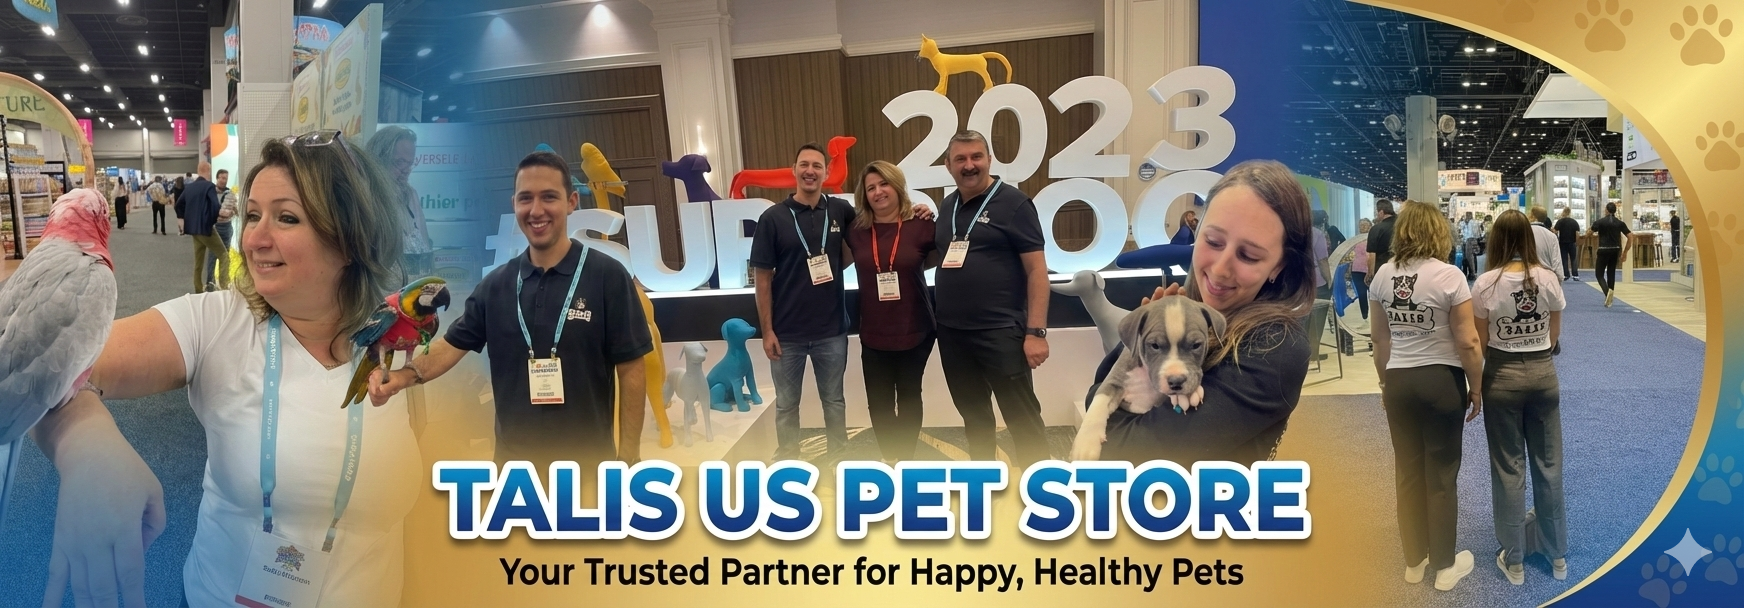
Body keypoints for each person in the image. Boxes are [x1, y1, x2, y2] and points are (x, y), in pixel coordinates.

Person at [29, 131, 417, 606]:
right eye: (252, 215)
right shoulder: (214, 322)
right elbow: (42, 364)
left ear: (351, 238)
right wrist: (86, 445)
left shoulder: (404, 341)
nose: (254, 238)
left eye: (287, 217)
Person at [370, 150, 652, 466]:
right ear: (514, 203)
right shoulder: (496, 286)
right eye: (525, 198)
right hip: (514, 470)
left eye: (549, 197)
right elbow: (450, 346)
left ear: (572, 201)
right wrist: (403, 376)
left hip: (588, 467)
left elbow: (631, 368)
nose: (536, 210)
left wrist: (629, 457)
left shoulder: (607, 277)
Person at [1097, 159, 1315, 463]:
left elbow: (1124, 451)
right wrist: (1143, 340)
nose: (1221, 268)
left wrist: (1110, 394)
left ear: (1279, 265)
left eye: (1248, 255)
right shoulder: (1185, 311)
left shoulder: (1276, 348)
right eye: (1212, 241)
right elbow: (1100, 393)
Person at [1369, 200, 1486, 591]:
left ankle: (1414, 562)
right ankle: (1445, 566)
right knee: (1441, 474)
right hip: (1441, 382)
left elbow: (1380, 340)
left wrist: (1385, 384)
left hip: (1399, 381)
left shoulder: (1383, 275)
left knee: (1407, 472)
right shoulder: (1450, 276)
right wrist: (1476, 386)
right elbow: (1468, 341)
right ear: (1439, 233)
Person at [932, 130, 1052, 467]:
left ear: (989, 160)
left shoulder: (1015, 204)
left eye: (976, 157)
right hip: (953, 333)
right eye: (960, 159)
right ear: (948, 165)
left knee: (1022, 417)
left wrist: (1036, 332)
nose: (969, 165)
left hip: (1000, 332)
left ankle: (1040, 486)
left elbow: (1037, 272)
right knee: (974, 416)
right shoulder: (947, 205)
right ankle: (983, 481)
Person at [1472, 209, 1568, 585]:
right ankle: (1557, 555)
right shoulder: (1547, 278)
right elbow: (1554, 335)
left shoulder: (1485, 284)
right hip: (1543, 374)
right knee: (1549, 466)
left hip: (1501, 376)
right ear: (1529, 239)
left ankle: (1514, 560)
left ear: (1495, 240)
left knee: (1508, 468)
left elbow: (1481, 342)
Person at [746, 143, 857, 461]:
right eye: (804, 165)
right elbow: (762, 279)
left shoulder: (840, 211)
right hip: (787, 333)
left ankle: (838, 458)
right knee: (786, 405)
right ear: (794, 169)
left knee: (834, 401)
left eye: (817, 166)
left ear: (826, 172)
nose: (810, 171)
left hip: (831, 331)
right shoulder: (772, 218)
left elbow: (860, 243)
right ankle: (788, 460)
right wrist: (767, 331)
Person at [847, 161, 938, 462]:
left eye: (884, 184)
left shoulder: (922, 225)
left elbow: (939, 260)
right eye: (871, 187)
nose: (878, 192)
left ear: (897, 186)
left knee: (910, 396)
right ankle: (891, 458)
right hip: (874, 331)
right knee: (879, 403)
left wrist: (927, 211)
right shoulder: (856, 231)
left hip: (915, 328)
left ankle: (905, 459)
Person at [366, 126, 435, 276]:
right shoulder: (364, 196)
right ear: (378, 160)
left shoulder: (410, 195)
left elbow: (424, 245)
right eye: (399, 162)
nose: (406, 170)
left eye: (410, 164)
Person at [180, 163, 226, 294]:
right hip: (206, 229)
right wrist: (211, 220)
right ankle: (224, 287)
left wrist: (183, 218)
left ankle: (198, 289)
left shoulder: (190, 187)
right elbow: (215, 206)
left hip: (193, 230)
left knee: (198, 261)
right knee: (224, 256)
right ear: (209, 171)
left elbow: (179, 204)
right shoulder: (209, 186)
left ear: (198, 171)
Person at [1589, 202, 1632, 307]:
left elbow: (1589, 232)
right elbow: (1630, 236)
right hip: (1615, 250)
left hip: (1603, 250)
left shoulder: (1600, 222)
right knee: (1611, 273)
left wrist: (1586, 234)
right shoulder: (1620, 223)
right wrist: (1625, 252)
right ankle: (1610, 295)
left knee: (1599, 274)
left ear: (1606, 210)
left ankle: (1607, 293)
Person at [205, 169, 239, 291]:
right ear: (217, 178)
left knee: (225, 258)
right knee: (212, 257)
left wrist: (233, 213)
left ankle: (224, 285)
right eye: (222, 178)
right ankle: (210, 284)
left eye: (226, 178)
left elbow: (234, 210)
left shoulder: (230, 194)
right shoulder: (210, 193)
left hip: (227, 228)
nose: (224, 181)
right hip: (215, 228)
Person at [1365, 199, 1396, 286]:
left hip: (1382, 270)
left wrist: (1370, 274)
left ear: (1381, 212)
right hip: (1402, 268)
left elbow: (1371, 254)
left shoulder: (1376, 229)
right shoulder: (1403, 226)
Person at [1351, 218, 1372, 319]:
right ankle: (1364, 314)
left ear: (1370, 226)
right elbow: (1351, 255)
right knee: (1361, 294)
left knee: (1373, 294)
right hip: (1356, 270)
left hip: (1370, 270)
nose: (1363, 227)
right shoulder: (1355, 240)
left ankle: (1376, 315)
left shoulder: (1372, 238)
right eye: (1361, 225)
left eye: (1365, 224)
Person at [1554, 207, 1580, 281]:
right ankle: (1575, 275)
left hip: (1562, 242)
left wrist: (1557, 238)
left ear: (1563, 212)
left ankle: (1566, 274)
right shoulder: (1574, 222)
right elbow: (1577, 233)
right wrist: (1576, 242)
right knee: (1573, 259)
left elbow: (1555, 231)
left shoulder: (1560, 221)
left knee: (1564, 259)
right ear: (1570, 212)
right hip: (1572, 242)